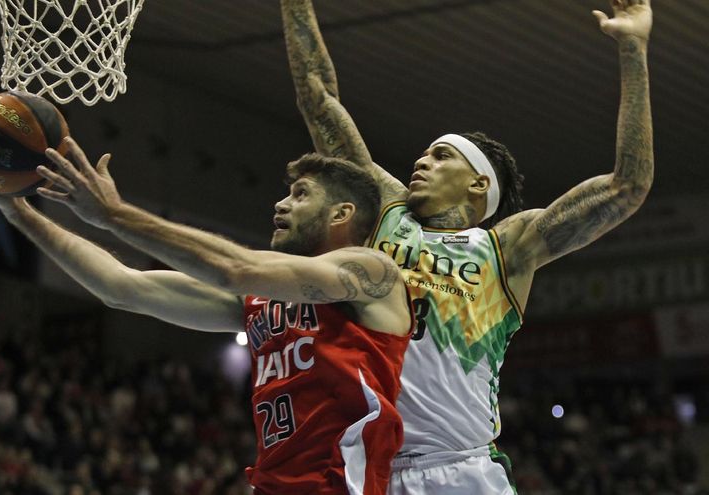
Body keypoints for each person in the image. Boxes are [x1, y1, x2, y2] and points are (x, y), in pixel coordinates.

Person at [280, 0, 654, 493]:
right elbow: (319, 99)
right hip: (371, 469)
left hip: (462, 469)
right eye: (425, 152)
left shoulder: (507, 248)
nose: (421, 160)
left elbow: (627, 186)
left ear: (479, 185)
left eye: (441, 155)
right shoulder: (387, 209)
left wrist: (632, 48)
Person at [0, 142, 416, 494]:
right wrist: (13, 209)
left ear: (342, 213)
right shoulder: (261, 302)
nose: (280, 205)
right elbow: (122, 288)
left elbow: (235, 267)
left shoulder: (372, 273)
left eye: (300, 195)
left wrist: (114, 216)